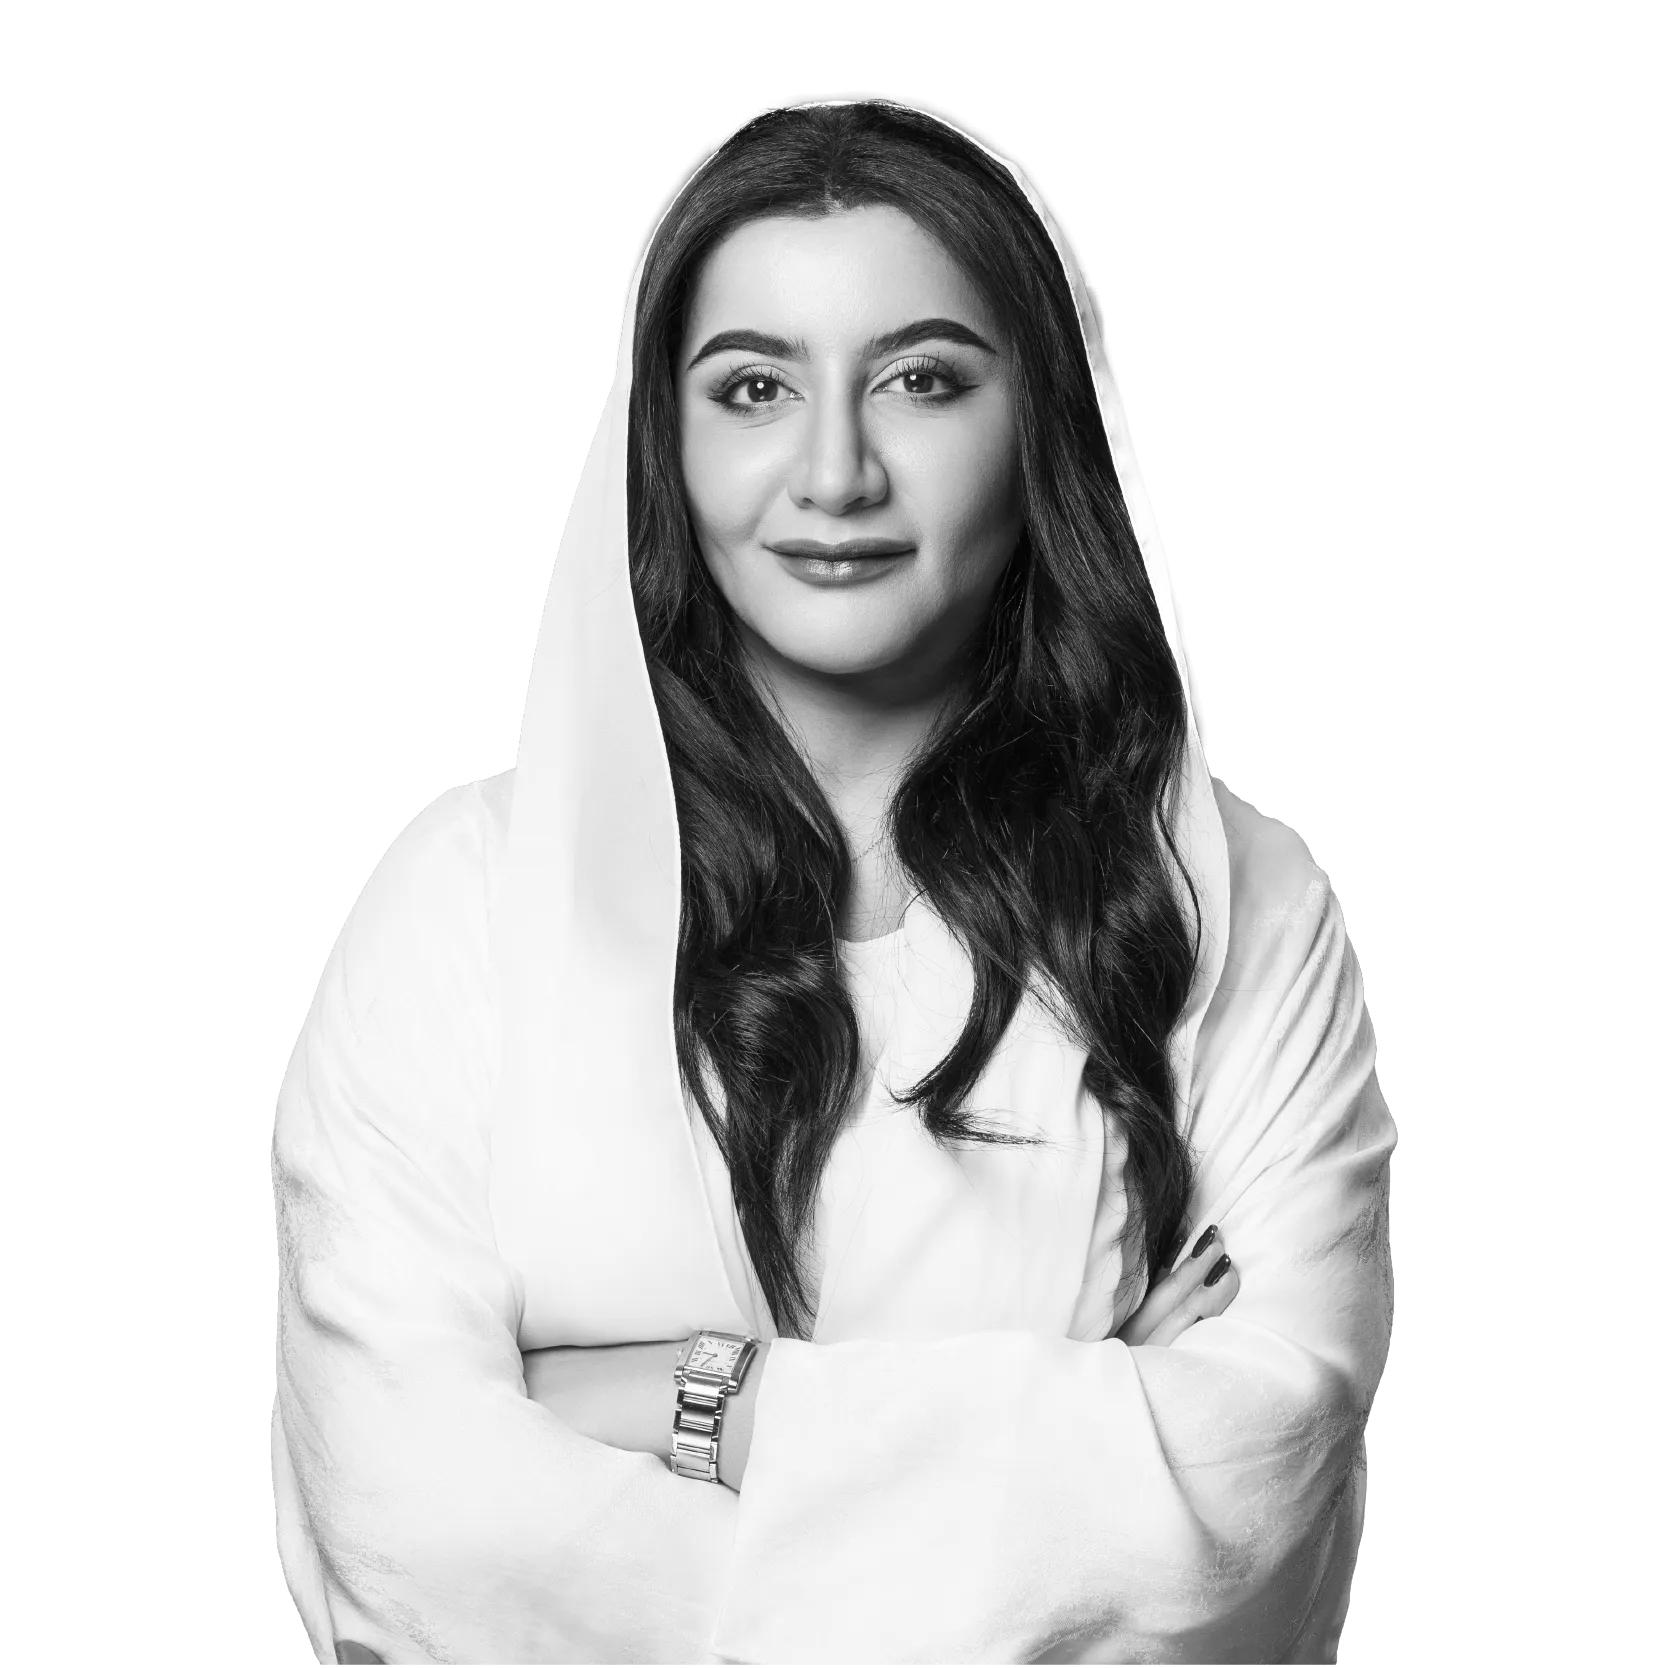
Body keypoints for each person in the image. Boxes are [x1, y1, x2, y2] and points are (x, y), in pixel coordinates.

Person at [272, 94, 1395, 1667]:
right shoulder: (462, 903)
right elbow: (424, 1539)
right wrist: (1082, 1413)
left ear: (1040, 424)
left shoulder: (1234, 901)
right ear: (663, 441)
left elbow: (1233, 1523)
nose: (834, 472)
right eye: (754, 387)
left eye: (922, 379)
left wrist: (677, 1401)